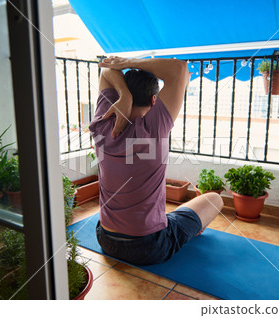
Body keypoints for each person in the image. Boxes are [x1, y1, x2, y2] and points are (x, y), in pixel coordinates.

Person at [89, 56, 223, 266]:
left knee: (171, 215)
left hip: (106, 238)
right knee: (214, 199)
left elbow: (105, 70)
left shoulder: (102, 123)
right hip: (149, 246)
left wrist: (123, 95)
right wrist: (127, 63)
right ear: (154, 100)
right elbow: (180, 68)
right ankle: (185, 228)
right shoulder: (154, 128)